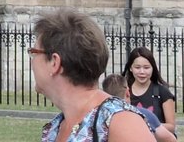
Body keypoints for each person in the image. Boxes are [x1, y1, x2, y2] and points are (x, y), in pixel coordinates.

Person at [31, 10, 150, 142]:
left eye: (33, 52)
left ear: (54, 62)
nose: (32, 59)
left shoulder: (122, 123)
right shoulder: (58, 126)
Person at [123, 47, 178, 141]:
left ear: (153, 68)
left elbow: (171, 126)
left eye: (146, 67)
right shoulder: (124, 91)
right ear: (130, 68)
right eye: (137, 67)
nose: (142, 72)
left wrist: (147, 125)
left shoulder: (163, 92)